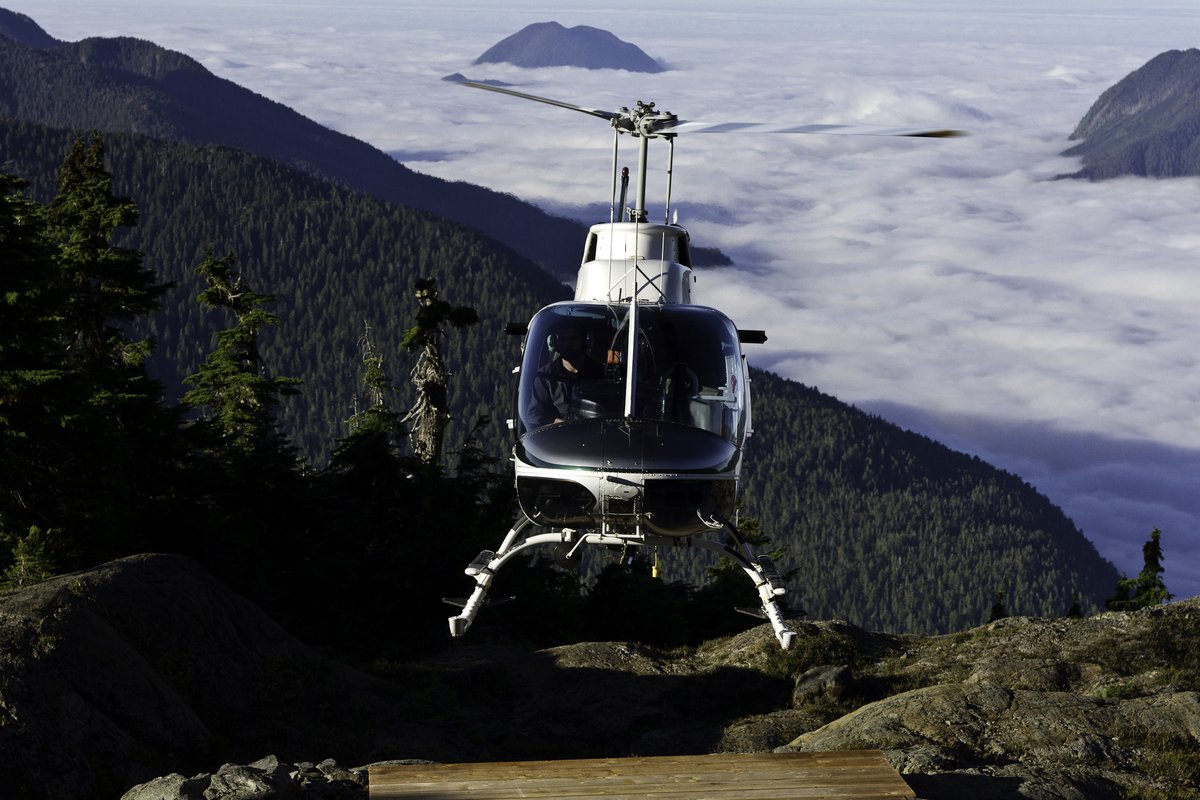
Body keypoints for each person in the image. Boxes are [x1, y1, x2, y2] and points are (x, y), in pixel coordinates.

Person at [525, 326, 605, 428]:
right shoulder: (545, 376)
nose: (567, 344)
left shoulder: (599, 372)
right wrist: (554, 422)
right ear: (554, 343)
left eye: (573, 339)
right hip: (559, 439)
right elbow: (534, 415)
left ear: (584, 341)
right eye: (561, 340)